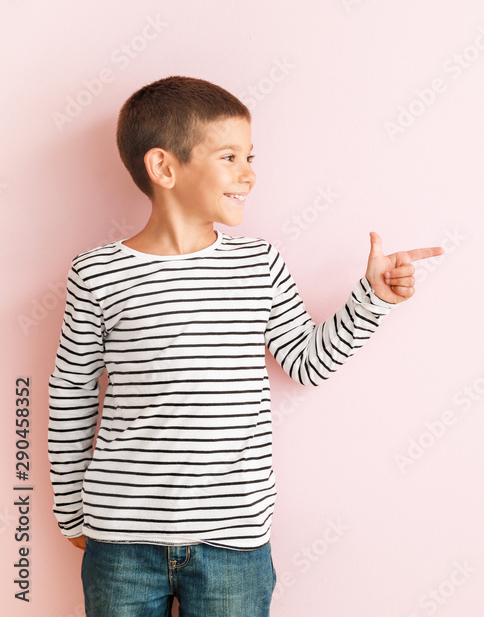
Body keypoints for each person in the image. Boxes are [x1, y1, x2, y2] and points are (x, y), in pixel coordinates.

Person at [47, 75, 443, 616]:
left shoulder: (257, 264)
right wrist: (70, 513)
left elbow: (306, 363)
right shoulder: (97, 273)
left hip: (234, 540)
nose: (249, 175)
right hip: (120, 539)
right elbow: (70, 395)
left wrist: (371, 298)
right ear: (164, 167)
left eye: (250, 157)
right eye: (229, 157)